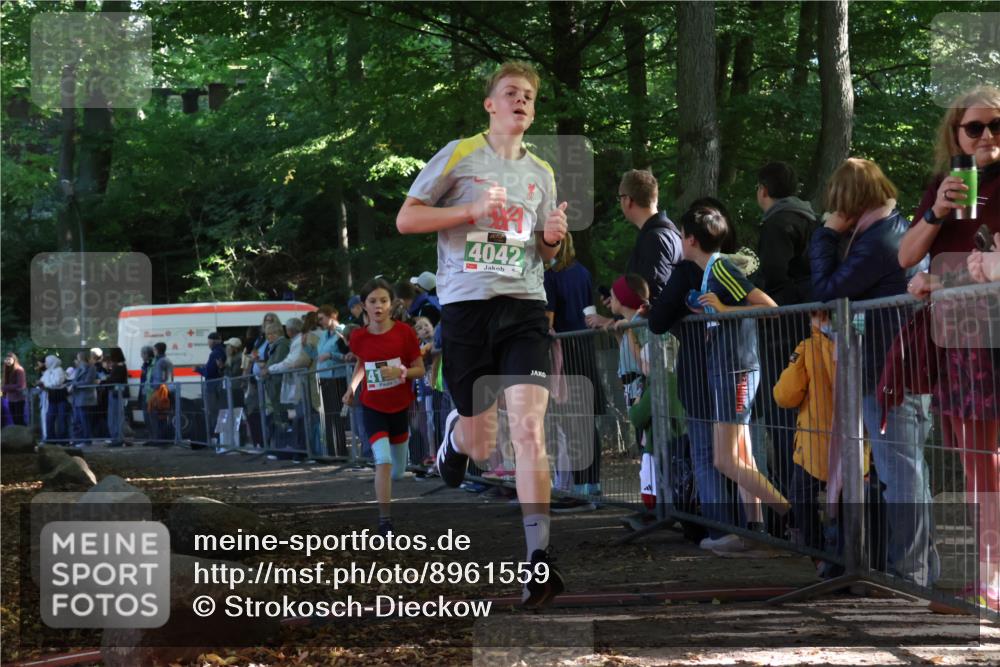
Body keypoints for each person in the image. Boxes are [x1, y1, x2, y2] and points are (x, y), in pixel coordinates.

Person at [396, 60, 568, 608]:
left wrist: (551, 239)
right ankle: (454, 436)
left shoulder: (541, 171)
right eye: (511, 93)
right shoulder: (460, 153)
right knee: (481, 441)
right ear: (490, 105)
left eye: (529, 97)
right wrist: (470, 209)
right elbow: (407, 219)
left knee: (528, 430)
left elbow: (543, 252)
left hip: (523, 306)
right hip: (467, 308)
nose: (521, 101)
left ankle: (538, 560)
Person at [810, 157, 937, 587]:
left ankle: (912, 575)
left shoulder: (879, 240)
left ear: (850, 202)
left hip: (891, 376)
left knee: (901, 477)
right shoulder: (888, 232)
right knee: (902, 474)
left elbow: (826, 289)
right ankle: (915, 570)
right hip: (891, 371)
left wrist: (825, 234)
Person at [899, 86, 1000, 609]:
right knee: (974, 461)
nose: (986, 136)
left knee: (989, 463)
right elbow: (905, 255)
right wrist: (936, 211)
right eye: (975, 127)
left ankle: (992, 580)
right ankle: (989, 578)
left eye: (996, 126)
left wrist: (941, 279)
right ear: (956, 133)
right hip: (958, 342)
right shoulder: (946, 184)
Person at [681, 206, 789, 541]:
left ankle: (795, 515)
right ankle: (755, 531)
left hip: (737, 369)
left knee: (725, 459)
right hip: (726, 369)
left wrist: (726, 310)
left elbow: (770, 308)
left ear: (691, 240)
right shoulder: (710, 273)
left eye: (681, 236)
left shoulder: (722, 268)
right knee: (740, 456)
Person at [754, 162, 818, 499]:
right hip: (806, 322)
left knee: (781, 405)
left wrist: (748, 290)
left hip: (781, 327)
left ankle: (791, 500)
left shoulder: (777, 223)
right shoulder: (809, 218)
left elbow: (775, 275)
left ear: (763, 190)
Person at [343, 278, 424, 536]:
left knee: (398, 470)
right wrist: (352, 388)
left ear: (392, 304)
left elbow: (420, 370)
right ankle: (385, 521)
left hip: (399, 406)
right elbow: (362, 364)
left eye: (383, 301)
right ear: (363, 306)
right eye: (372, 301)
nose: (378, 306)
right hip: (372, 406)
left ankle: (387, 501)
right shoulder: (358, 337)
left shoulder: (404, 333)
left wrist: (400, 372)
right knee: (383, 460)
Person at [543, 232, 604, 512]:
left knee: (571, 423)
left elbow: (548, 321)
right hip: (586, 350)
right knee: (587, 421)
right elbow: (589, 312)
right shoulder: (583, 272)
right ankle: (592, 486)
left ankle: (580, 492)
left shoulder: (552, 276)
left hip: (565, 355)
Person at [316, 305, 351, 457]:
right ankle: (332, 452)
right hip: (325, 378)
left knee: (337, 415)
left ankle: (341, 451)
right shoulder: (324, 335)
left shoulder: (343, 331)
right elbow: (319, 354)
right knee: (329, 416)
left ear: (332, 316)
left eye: (321, 318)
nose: (320, 322)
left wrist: (332, 355)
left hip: (338, 377)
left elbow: (348, 353)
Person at [196, 332, 227, 439]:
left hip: (213, 387)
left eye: (208, 341)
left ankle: (215, 437)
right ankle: (220, 437)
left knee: (213, 412)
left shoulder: (215, 353)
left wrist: (198, 369)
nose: (208, 344)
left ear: (212, 341)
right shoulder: (223, 350)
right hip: (218, 386)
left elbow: (209, 372)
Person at [147, 342, 174, 443]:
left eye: (154, 350)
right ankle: (162, 438)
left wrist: (154, 386)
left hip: (160, 391)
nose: (153, 352)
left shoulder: (161, 362)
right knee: (163, 416)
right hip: (166, 390)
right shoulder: (167, 360)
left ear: (157, 350)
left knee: (158, 416)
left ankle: (159, 439)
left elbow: (160, 378)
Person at [38, 355, 69, 442]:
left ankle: (63, 439)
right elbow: (42, 381)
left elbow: (57, 382)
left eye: (47, 362)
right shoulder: (47, 372)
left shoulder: (59, 370)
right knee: (49, 418)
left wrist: (47, 384)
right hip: (52, 398)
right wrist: (43, 384)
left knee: (62, 419)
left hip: (61, 397)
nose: (46, 364)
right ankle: (51, 438)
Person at [70, 351, 97, 447]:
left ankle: (87, 440)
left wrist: (75, 384)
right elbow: (75, 380)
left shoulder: (91, 368)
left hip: (86, 398)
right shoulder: (79, 368)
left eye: (79, 358)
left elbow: (87, 381)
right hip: (77, 398)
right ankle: (77, 440)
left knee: (85, 420)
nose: (78, 360)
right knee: (77, 420)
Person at [102, 348, 129, 447]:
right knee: (117, 416)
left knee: (114, 416)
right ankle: (118, 437)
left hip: (115, 393)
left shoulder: (118, 367)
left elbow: (114, 379)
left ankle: (117, 438)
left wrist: (103, 381)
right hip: (118, 393)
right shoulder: (122, 366)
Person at [2, 353, 27, 426]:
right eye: (6, 359)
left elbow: (21, 385)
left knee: (19, 419)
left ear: (14, 360)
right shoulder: (7, 370)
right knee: (14, 420)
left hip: (19, 399)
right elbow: (6, 384)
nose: (8, 361)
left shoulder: (19, 369)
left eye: (9, 359)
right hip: (10, 399)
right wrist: (4, 392)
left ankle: (24, 435)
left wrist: (6, 387)